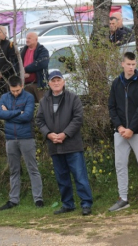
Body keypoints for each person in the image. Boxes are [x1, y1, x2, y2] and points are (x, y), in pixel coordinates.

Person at [36, 70, 93, 216]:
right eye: (53, 81)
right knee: (62, 178)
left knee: (80, 176)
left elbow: (78, 118)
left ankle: (86, 203)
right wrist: (48, 134)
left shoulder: (73, 98)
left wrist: (65, 134)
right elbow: (39, 120)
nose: (56, 83)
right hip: (54, 146)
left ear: (63, 82)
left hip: (72, 145)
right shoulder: (44, 101)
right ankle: (68, 204)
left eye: (58, 80)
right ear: (48, 83)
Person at [108, 52, 138, 212]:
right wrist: (119, 127)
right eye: (128, 64)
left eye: (134, 65)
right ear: (122, 64)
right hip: (119, 132)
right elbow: (112, 107)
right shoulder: (116, 83)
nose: (131, 67)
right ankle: (123, 198)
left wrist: (131, 128)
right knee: (120, 164)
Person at [0, 75, 43, 210]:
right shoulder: (4, 97)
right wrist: (18, 112)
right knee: (14, 170)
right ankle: (13, 199)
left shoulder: (28, 97)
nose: (15, 93)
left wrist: (9, 114)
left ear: (22, 86)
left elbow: (27, 116)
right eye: (13, 90)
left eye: (17, 90)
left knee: (32, 168)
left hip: (26, 137)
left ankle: (38, 198)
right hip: (11, 138)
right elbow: (0, 114)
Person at [20, 32, 49, 102]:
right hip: (26, 85)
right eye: (26, 38)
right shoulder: (22, 51)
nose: (27, 40)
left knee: (43, 106)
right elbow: (16, 64)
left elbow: (41, 63)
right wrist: (21, 74)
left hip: (39, 85)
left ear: (36, 39)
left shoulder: (42, 50)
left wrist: (26, 69)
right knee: (30, 107)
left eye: (29, 38)